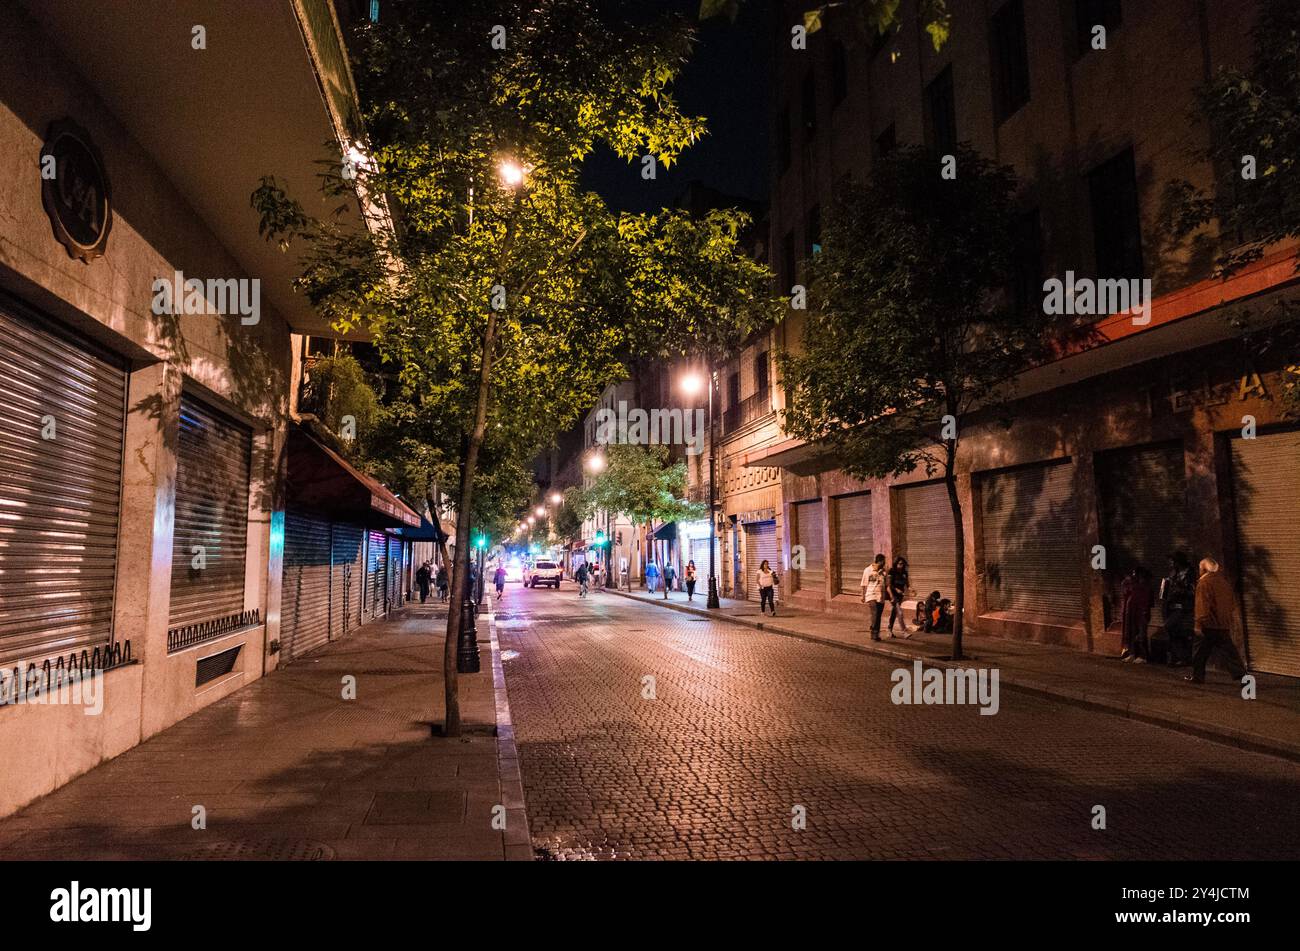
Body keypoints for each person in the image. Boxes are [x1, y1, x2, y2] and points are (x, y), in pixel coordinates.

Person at [1186, 557, 1249, 685]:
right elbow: (1231, 604)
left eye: (1200, 568)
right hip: (1222, 623)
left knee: (1199, 652)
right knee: (1229, 652)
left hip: (1208, 624)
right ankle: (1243, 677)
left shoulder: (1204, 583)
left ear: (1203, 569)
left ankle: (1198, 676)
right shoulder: (1224, 582)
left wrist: (1198, 623)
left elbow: (1202, 605)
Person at [1159, 551, 1195, 667]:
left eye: (1172, 561)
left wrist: (1181, 591)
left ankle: (1183, 657)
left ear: (1178, 562)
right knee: (1174, 632)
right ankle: (1179, 657)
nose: (1170, 563)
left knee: (1169, 627)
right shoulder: (1174, 572)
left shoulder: (1190, 573)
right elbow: (1169, 587)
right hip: (1171, 607)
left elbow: (1193, 591)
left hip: (1183, 608)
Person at [1119, 566, 1154, 664]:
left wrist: (1144, 611)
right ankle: (1132, 653)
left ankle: (1143, 656)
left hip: (1141, 613)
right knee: (1132, 633)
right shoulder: (1136, 584)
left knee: (1141, 634)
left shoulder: (1145, 586)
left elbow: (1148, 601)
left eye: (1135, 573)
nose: (1134, 575)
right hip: (1133, 612)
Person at [861, 553, 887, 641]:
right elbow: (864, 584)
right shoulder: (867, 570)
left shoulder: (883, 572)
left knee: (878, 615)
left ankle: (875, 634)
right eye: (883, 562)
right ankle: (873, 630)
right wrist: (863, 596)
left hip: (881, 596)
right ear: (879, 561)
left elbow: (886, 584)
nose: (884, 564)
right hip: (871, 595)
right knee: (875, 613)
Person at [886, 555, 911, 638]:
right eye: (900, 564)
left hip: (900, 595)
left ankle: (889, 629)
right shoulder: (892, 571)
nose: (901, 565)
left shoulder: (904, 573)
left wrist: (911, 589)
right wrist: (896, 589)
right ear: (896, 563)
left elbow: (907, 585)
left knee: (894, 612)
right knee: (899, 612)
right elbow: (889, 585)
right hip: (892, 595)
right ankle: (904, 631)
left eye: (902, 564)